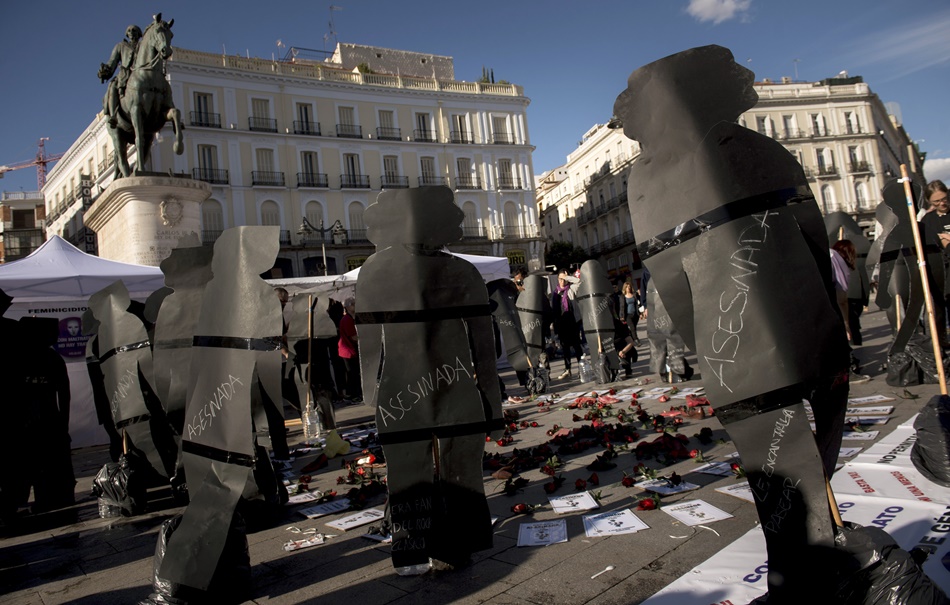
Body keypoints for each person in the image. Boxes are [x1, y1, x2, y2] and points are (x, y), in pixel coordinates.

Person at [832, 240, 870, 383]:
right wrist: (846, 324)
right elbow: (841, 299)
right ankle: (846, 373)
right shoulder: (838, 262)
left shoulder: (827, 254)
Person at [920, 179, 950, 344]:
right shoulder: (927, 220)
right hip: (937, 271)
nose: (942, 203)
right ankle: (941, 343)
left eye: (944, 199)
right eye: (937, 201)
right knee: (938, 311)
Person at [98, 25, 143, 129]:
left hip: (141, 73)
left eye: (134, 30)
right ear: (127, 34)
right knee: (113, 86)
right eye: (129, 30)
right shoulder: (121, 46)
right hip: (126, 74)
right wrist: (104, 72)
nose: (132, 32)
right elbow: (112, 63)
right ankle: (113, 115)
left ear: (139, 34)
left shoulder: (143, 45)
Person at [551, 271, 583, 379]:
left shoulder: (570, 289)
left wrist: (568, 277)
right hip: (561, 324)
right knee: (565, 348)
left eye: (563, 279)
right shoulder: (555, 293)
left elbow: (579, 281)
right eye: (560, 279)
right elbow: (554, 310)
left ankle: (580, 368)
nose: (562, 281)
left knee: (576, 345)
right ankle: (567, 369)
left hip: (572, 322)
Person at [338, 297, 361, 403]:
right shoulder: (347, 319)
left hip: (349, 350)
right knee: (352, 373)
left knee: (353, 373)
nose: (356, 305)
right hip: (347, 350)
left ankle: (353, 394)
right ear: (348, 307)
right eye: (354, 304)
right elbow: (353, 336)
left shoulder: (351, 318)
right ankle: (352, 395)